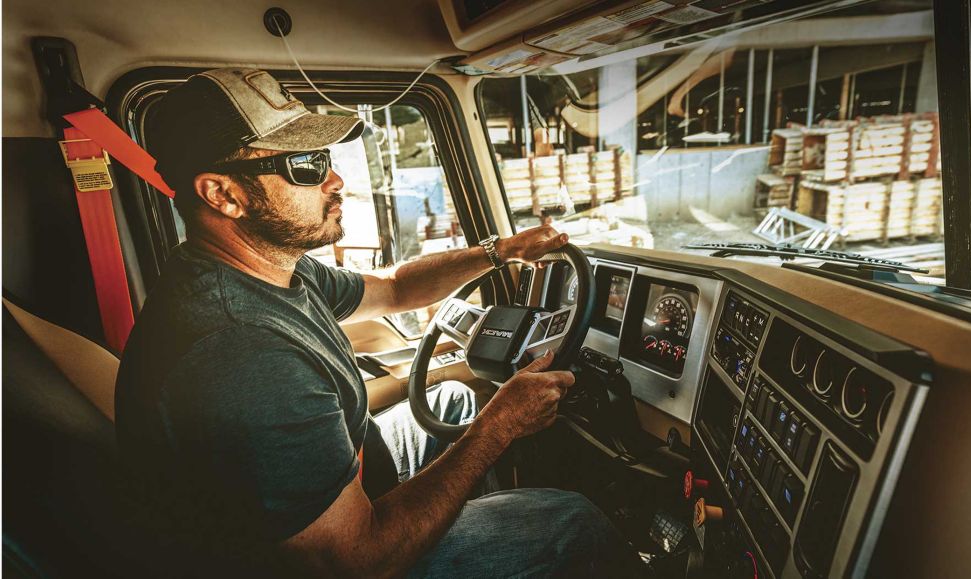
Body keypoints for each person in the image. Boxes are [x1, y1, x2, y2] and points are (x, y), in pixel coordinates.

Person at [115, 68, 640, 578]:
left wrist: (501, 251)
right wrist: (498, 426)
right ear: (223, 194)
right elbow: (354, 562)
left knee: (453, 401)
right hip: (341, 557)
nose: (335, 179)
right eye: (306, 165)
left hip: (341, 495)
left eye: (326, 158)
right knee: (571, 520)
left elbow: (397, 288)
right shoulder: (241, 353)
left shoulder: (265, 270)